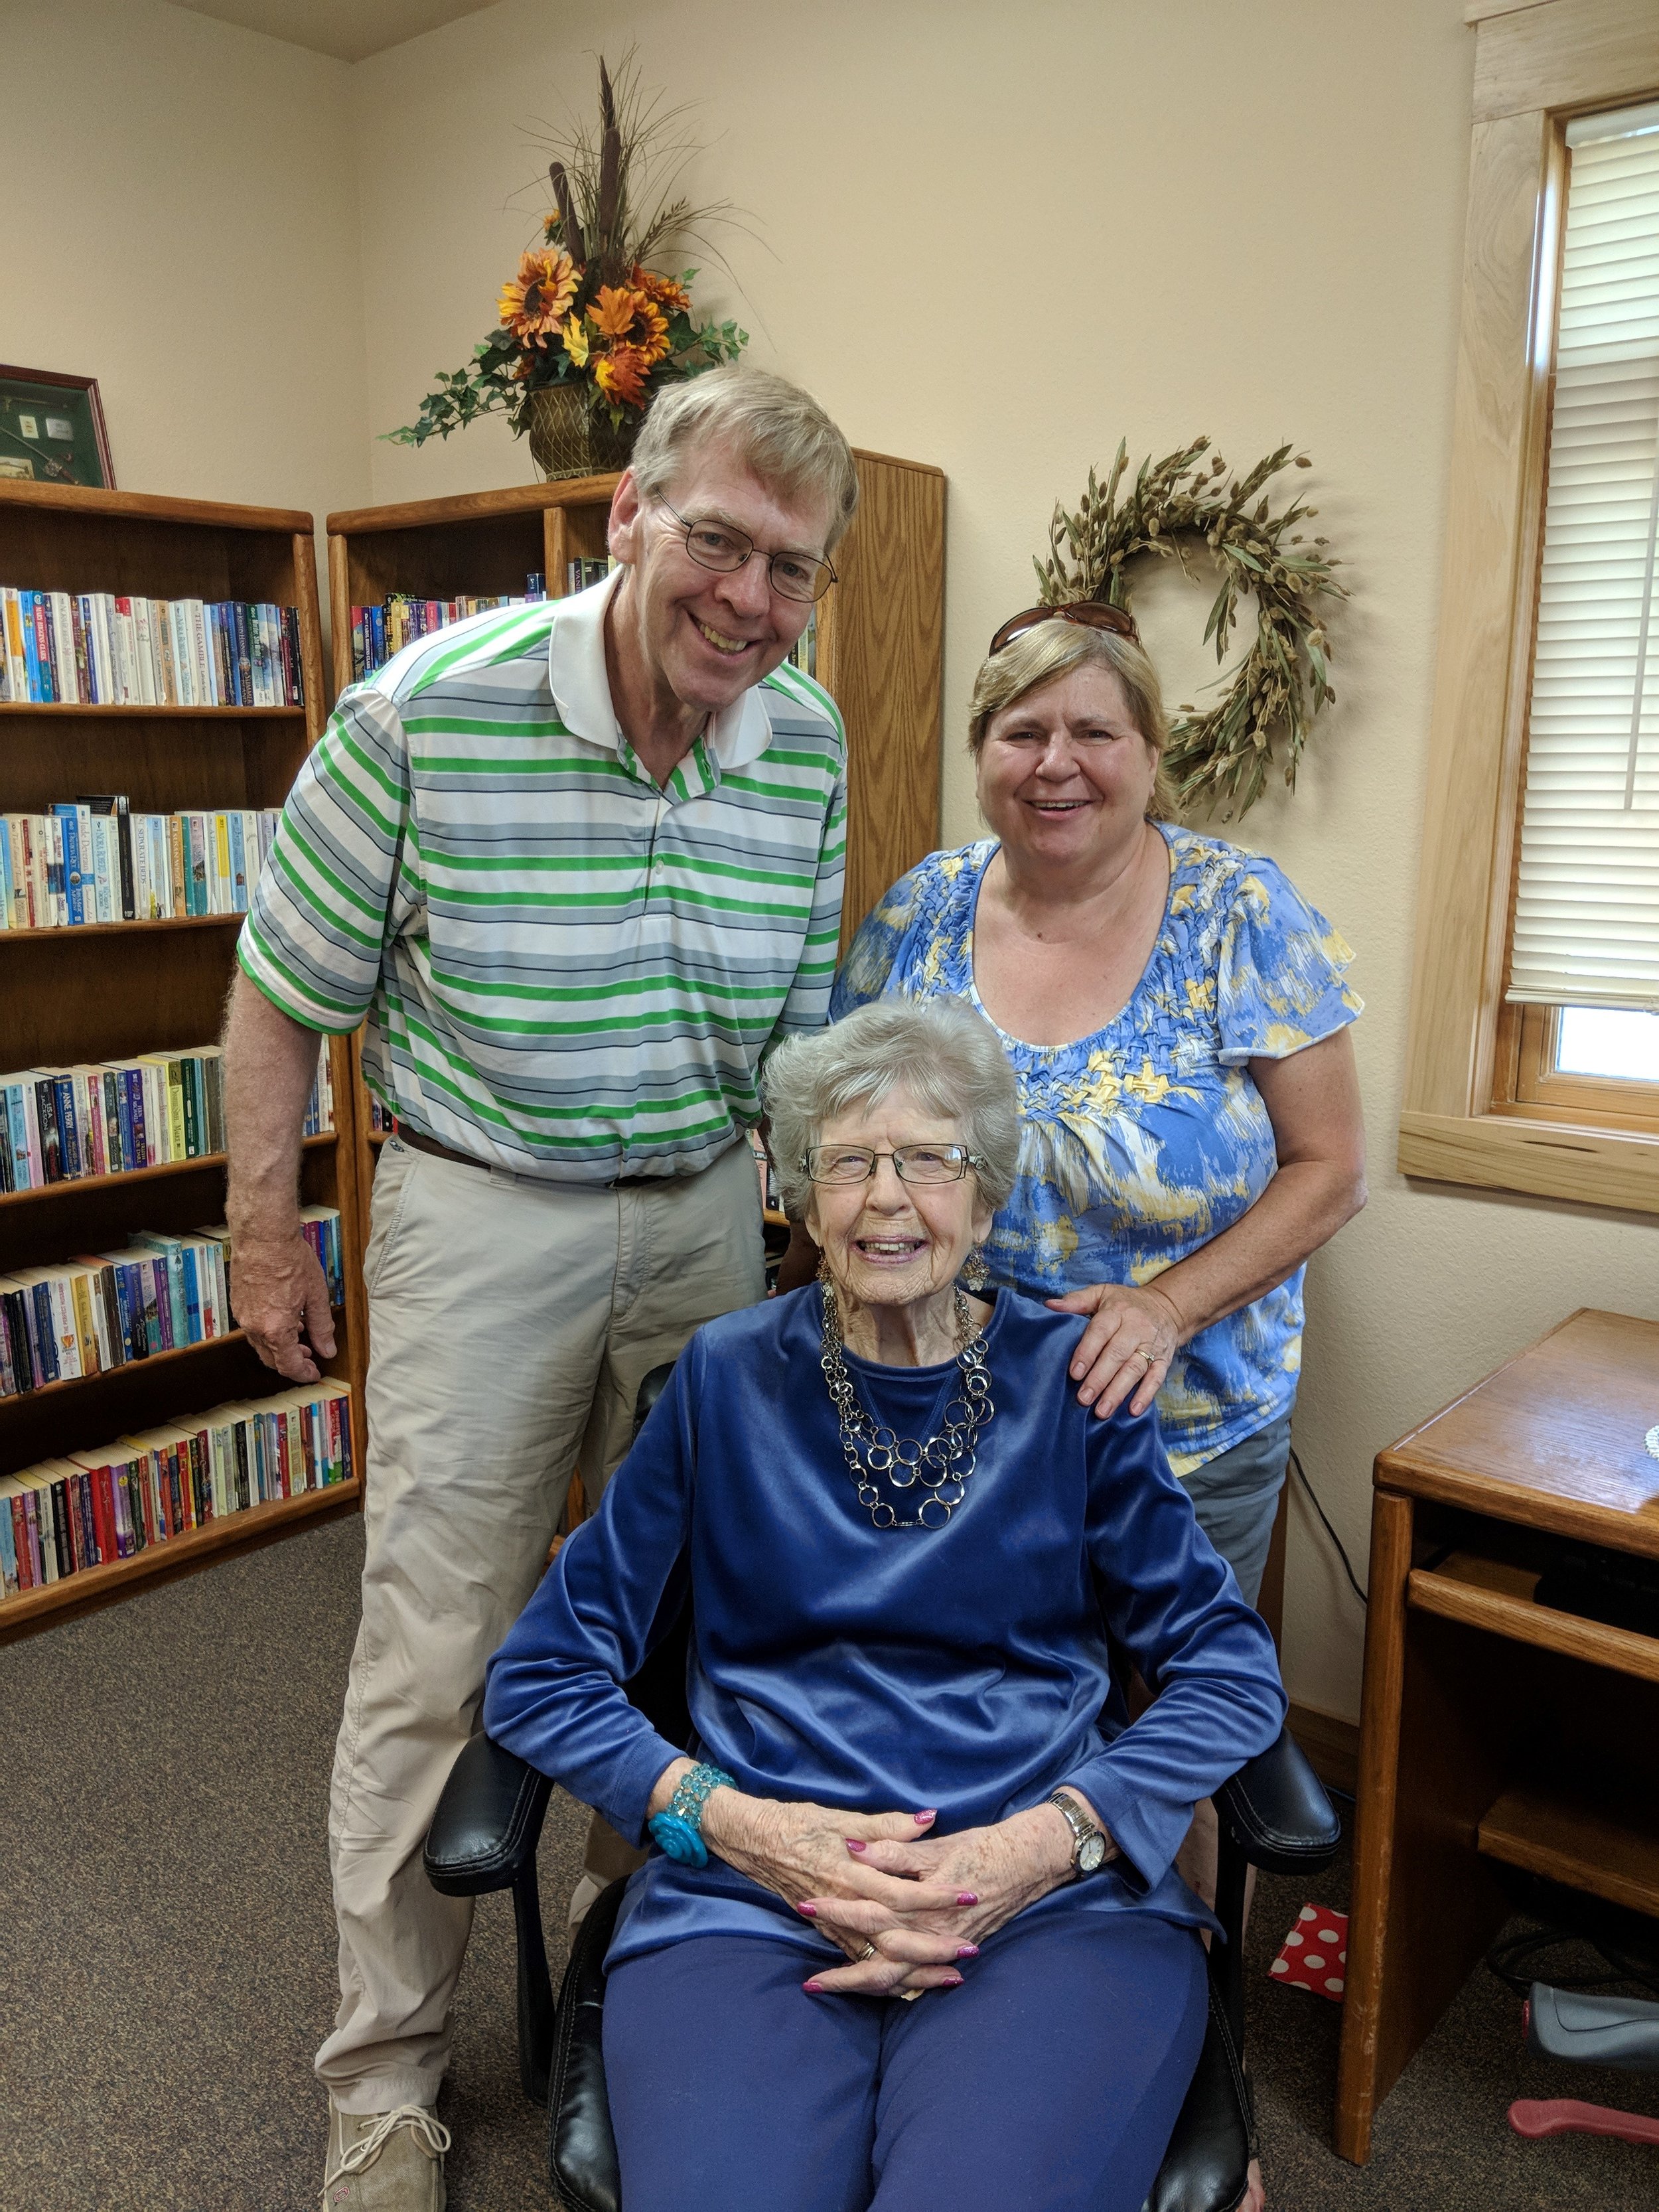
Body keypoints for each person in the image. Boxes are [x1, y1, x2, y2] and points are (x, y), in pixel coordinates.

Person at [221, 364, 859, 2209]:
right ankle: (388, 2072)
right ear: (628, 519)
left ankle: (624, 1964)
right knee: (439, 1658)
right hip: (480, 1211)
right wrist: (271, 1232)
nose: (748, 596)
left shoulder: (802, 742)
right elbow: (282, 996)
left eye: (789, 567)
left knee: (690, 1633)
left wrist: (820, 1243)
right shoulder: (427, 710)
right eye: (718, 540)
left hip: (700, 1218)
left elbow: (803, 1042)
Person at [483, 998, 1286, 2212]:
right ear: (805, 1197)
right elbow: (540, 1672)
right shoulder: (722, 1382)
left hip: (1044, 1900)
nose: (889, 1196)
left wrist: (1039, 1842)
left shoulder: (1077, 1389)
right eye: (849, 1161)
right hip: (757, 1895)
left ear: (989, 1190)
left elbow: (1228, 1669)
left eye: (931, 1159)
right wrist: (743, 1828)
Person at [824, 601, 1368, 1615]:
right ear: (982, 754)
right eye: (1022, 733)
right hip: (942, 1425)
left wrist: (1167, 1308)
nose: (1055, 763)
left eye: (1095, 732)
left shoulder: (1240, 913)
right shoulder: (921, 909)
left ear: (1152, 756)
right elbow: (839, 1134)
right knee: (967, 1713)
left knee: (1163, 1739)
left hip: (1183, 1442)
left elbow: (1331, 1168)